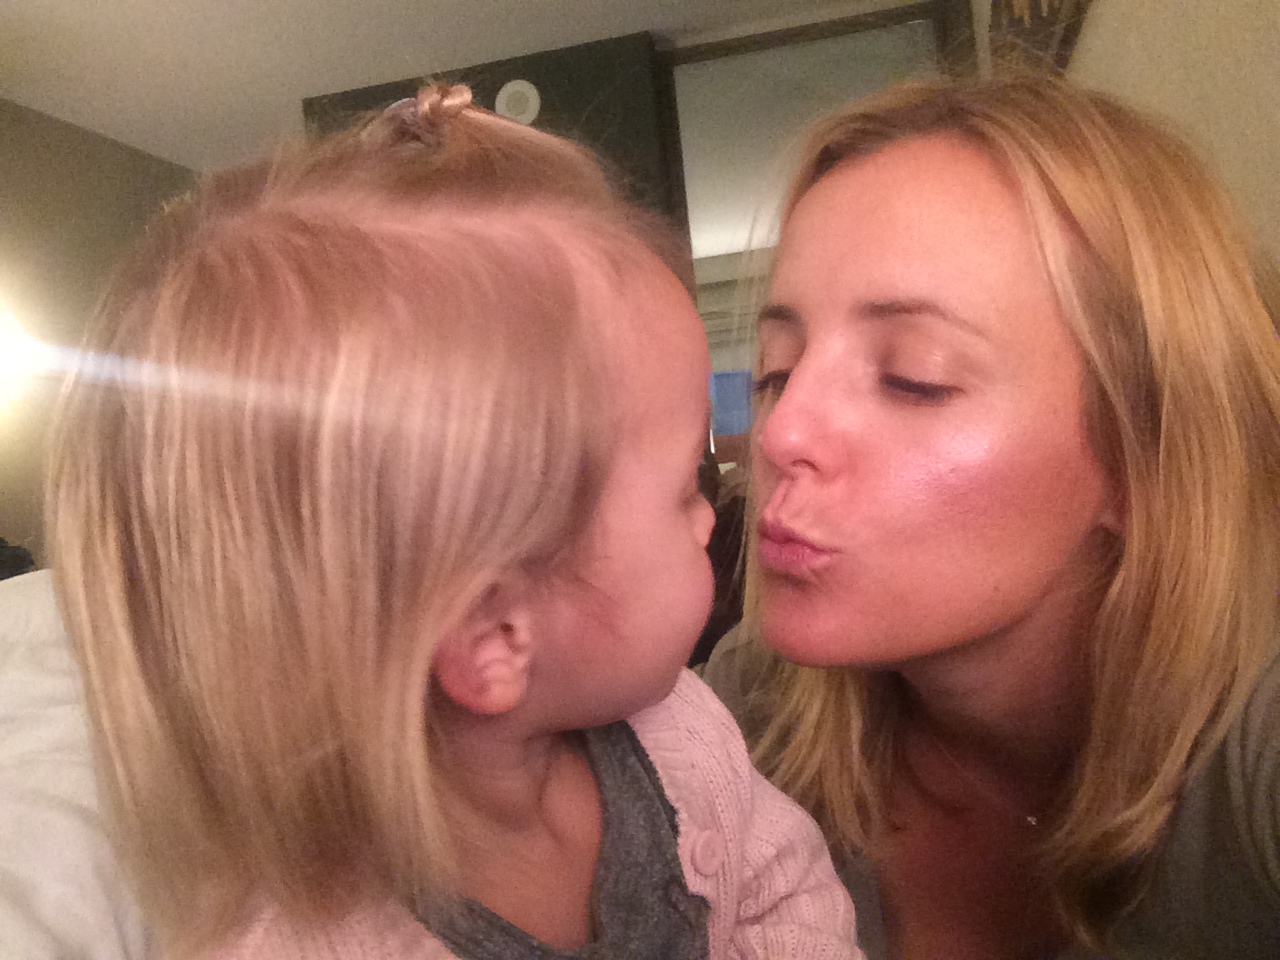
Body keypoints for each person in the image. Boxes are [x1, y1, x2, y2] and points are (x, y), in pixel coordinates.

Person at [45, 85, 860, 960]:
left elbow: (787, 887)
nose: (711, 516)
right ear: (492, 635)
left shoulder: (684, 735)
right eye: (682, 489)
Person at [703, 73, 1280, 960]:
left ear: (1146, 458)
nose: (779, 433)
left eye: (913, 377)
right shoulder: (745, 712)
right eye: (778, 369)